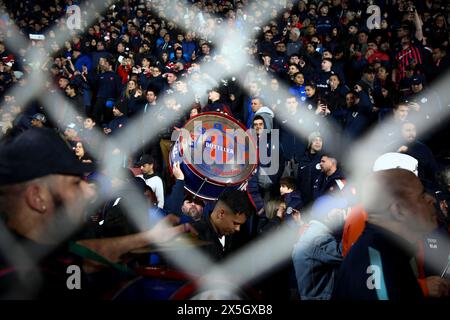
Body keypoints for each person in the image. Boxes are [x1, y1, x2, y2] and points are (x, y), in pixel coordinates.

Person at [0, 128, 191, 299]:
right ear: (37, 198)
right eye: (75, 183)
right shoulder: (19, 283)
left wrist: (147, 238)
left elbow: (88, 253)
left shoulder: (44, 249)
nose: (90, 191)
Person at [333, 169, 448, 300]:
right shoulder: (376, 262)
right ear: (398, 210)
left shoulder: (387, 251)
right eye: (422, 196)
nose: (432, 199)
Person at [191, 189, 254, 262]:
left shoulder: (234, 236)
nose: (238, 229)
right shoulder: (194, 237)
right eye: (235, 223)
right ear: (221, 214)